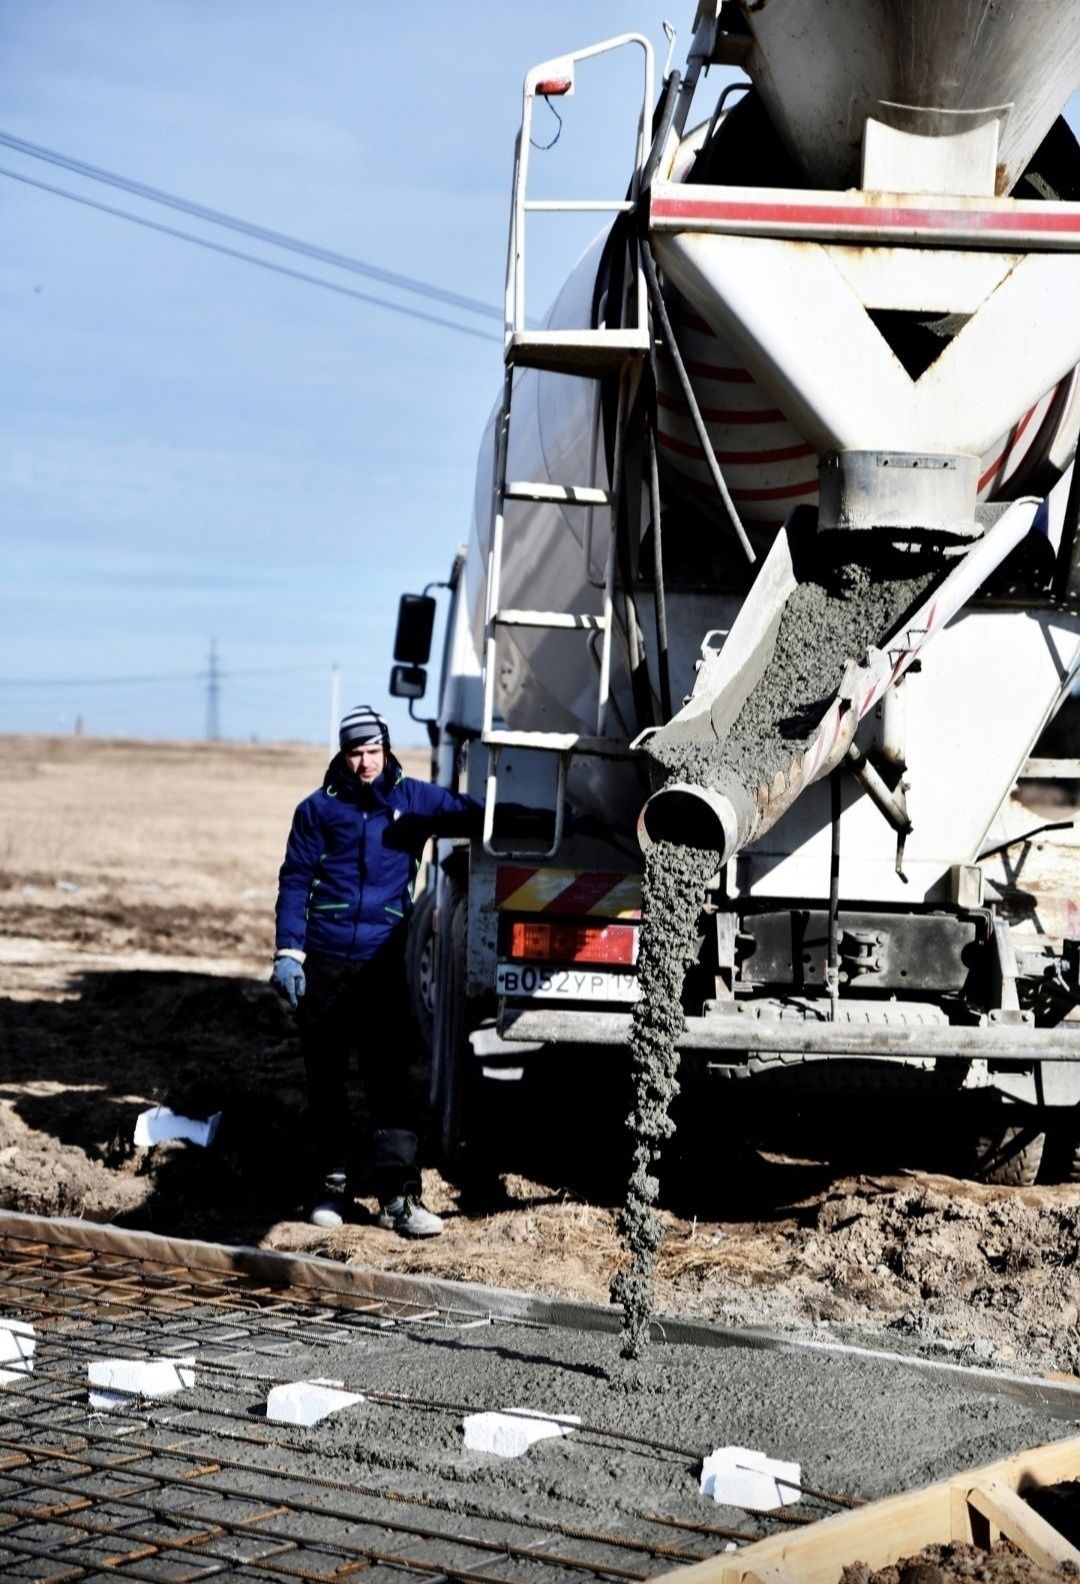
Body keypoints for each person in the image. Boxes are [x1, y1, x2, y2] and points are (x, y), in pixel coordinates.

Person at [271, 704, 481, 1234]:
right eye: (355, 752)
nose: (365, 762)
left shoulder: (413, 802)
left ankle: (398, 1199)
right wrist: (288, 953)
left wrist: (562, 818)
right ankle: (332, 1186)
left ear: (386, 748)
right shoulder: (317, 811)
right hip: (326, 962)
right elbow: (295, 880)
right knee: (326, 1079)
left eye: (372, 750)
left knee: (389, 1079)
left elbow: (474, 813)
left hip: (384, 964)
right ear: (342, 755)